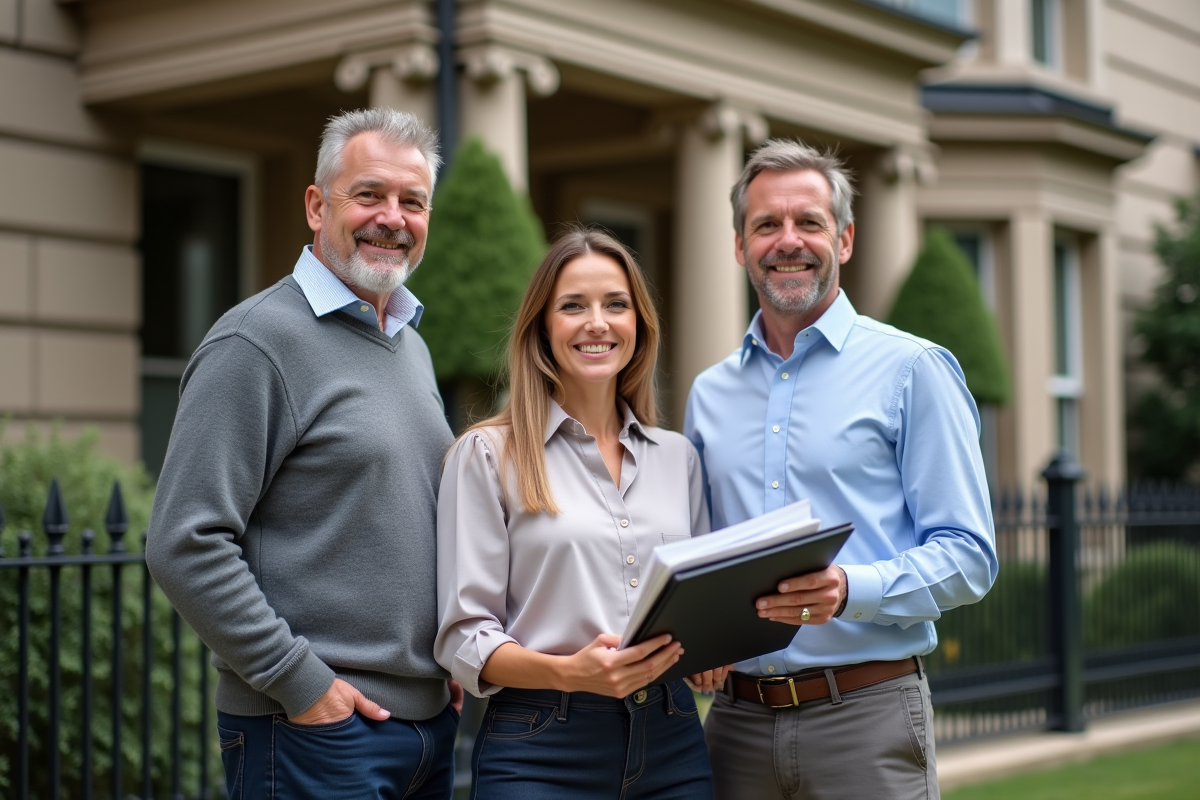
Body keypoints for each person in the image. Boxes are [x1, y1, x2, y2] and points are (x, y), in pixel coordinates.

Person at [146, 109, 460, 800]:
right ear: (318, 206)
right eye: (369, 194)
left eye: (412, 201)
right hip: (312, 732)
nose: (393, 217)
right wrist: (303, 686)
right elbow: (185, 541)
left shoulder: (409, 343)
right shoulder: (255, 344)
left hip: (428, 728)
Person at [685, 139, 999, 800]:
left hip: (866, 714)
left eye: (809, 223)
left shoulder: (913, 369)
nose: (787, 241)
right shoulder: (709, 393)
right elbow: (698, 551)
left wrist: (850, 589)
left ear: (846, 239)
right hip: (735, 727)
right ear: (739, 246)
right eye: (766, 225)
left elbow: (970, 556)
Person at [435, 227, 721, 799]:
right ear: (543, 327)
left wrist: (708, 653)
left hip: (672, 736)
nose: (598, 323)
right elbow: (465, 637)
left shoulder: (678, 458)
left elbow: (697, 599)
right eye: (573, 306)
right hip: (541, 746)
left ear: (639, 323)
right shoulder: (487, 455)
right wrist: (570, 673)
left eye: (616, 304)